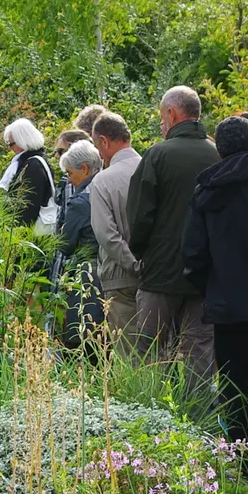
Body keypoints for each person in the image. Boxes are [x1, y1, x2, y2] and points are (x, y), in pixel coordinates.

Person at [184, 116, 248, 473]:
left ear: (218, 150)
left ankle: (238, 457)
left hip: (227, 300)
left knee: (232, 383)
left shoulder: (206, 190)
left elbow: (194, 252)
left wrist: (211, 286)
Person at [127, 86, 218, 379]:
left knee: (150, 351)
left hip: (161, 272)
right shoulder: (218, 153)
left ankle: (147, 416)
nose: (161, 123)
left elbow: (140, 215)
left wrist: (142, 254)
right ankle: (198, 419)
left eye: (161, 116)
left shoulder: (157, 154)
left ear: (172, 113)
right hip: (206, 272)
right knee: (200, 351)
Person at [87, 111, 143, 336]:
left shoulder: (103, 180)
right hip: (157, 275)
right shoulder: (152, 168)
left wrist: (133, 265)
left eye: (96, 146)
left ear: (104, 141)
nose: (99, 154)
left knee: (128, 350)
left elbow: (106, 235)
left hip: (120, 277)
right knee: (160, 348)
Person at [54, 139, 106, 345]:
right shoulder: (109, 187)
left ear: (84, 169)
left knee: (82, 340)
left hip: (88, 273)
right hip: (116, 270)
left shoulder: (80, 202)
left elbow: (65, 245)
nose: (68, 180)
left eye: (69, 173)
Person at [0, 118, 57, 232]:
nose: (10, 148)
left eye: (11, 144)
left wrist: (18, 234)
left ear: (22, 141)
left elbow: (29, 206)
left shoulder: (33, 165)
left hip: (31, 231)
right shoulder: (31, 162)